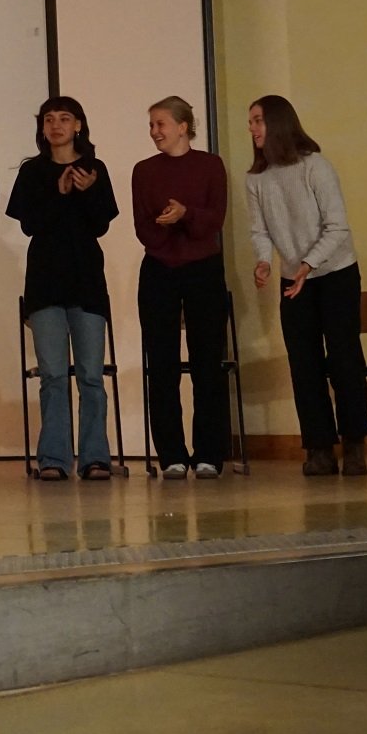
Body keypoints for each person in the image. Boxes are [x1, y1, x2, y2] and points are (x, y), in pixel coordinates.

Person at [246, 96, 367, 477]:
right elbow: (260, 230)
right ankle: (319, 448)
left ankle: (354, 444)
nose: (252, 128)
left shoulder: (315, 166)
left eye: (258, 120)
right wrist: (265, 261)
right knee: (304, 363)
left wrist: (308, 264)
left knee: (344, 359)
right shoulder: (256, 178)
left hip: (335, 273)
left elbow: (337, 226)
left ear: (278, 123)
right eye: (250, 122)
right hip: (293, 280)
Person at [7, 96, 119, 482]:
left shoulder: (95, 169)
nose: (56, 126)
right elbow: (30, 225)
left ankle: (95, 457)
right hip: (45, 282)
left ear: (78, 125)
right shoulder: (32, 171)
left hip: (86, 281)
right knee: (53, 375)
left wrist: (87, 192)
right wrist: (59, 192)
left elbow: (100, 225)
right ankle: (53, 458)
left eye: (64, 119)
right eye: (49, 119)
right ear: (42, 127)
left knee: (91, 375)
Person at [132, 96, 230, 481]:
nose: (154, 131)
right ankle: (171, 454)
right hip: (159, 268)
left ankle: (209, 453)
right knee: (162, 363)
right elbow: (144, 228)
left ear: (183, 126)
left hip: (204, 268)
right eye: (152, 125)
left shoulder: (210, 165)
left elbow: (214, 220)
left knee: (208, 361)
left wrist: (186, 214)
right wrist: (169, 224)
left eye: (161, 124)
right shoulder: (144, 171)